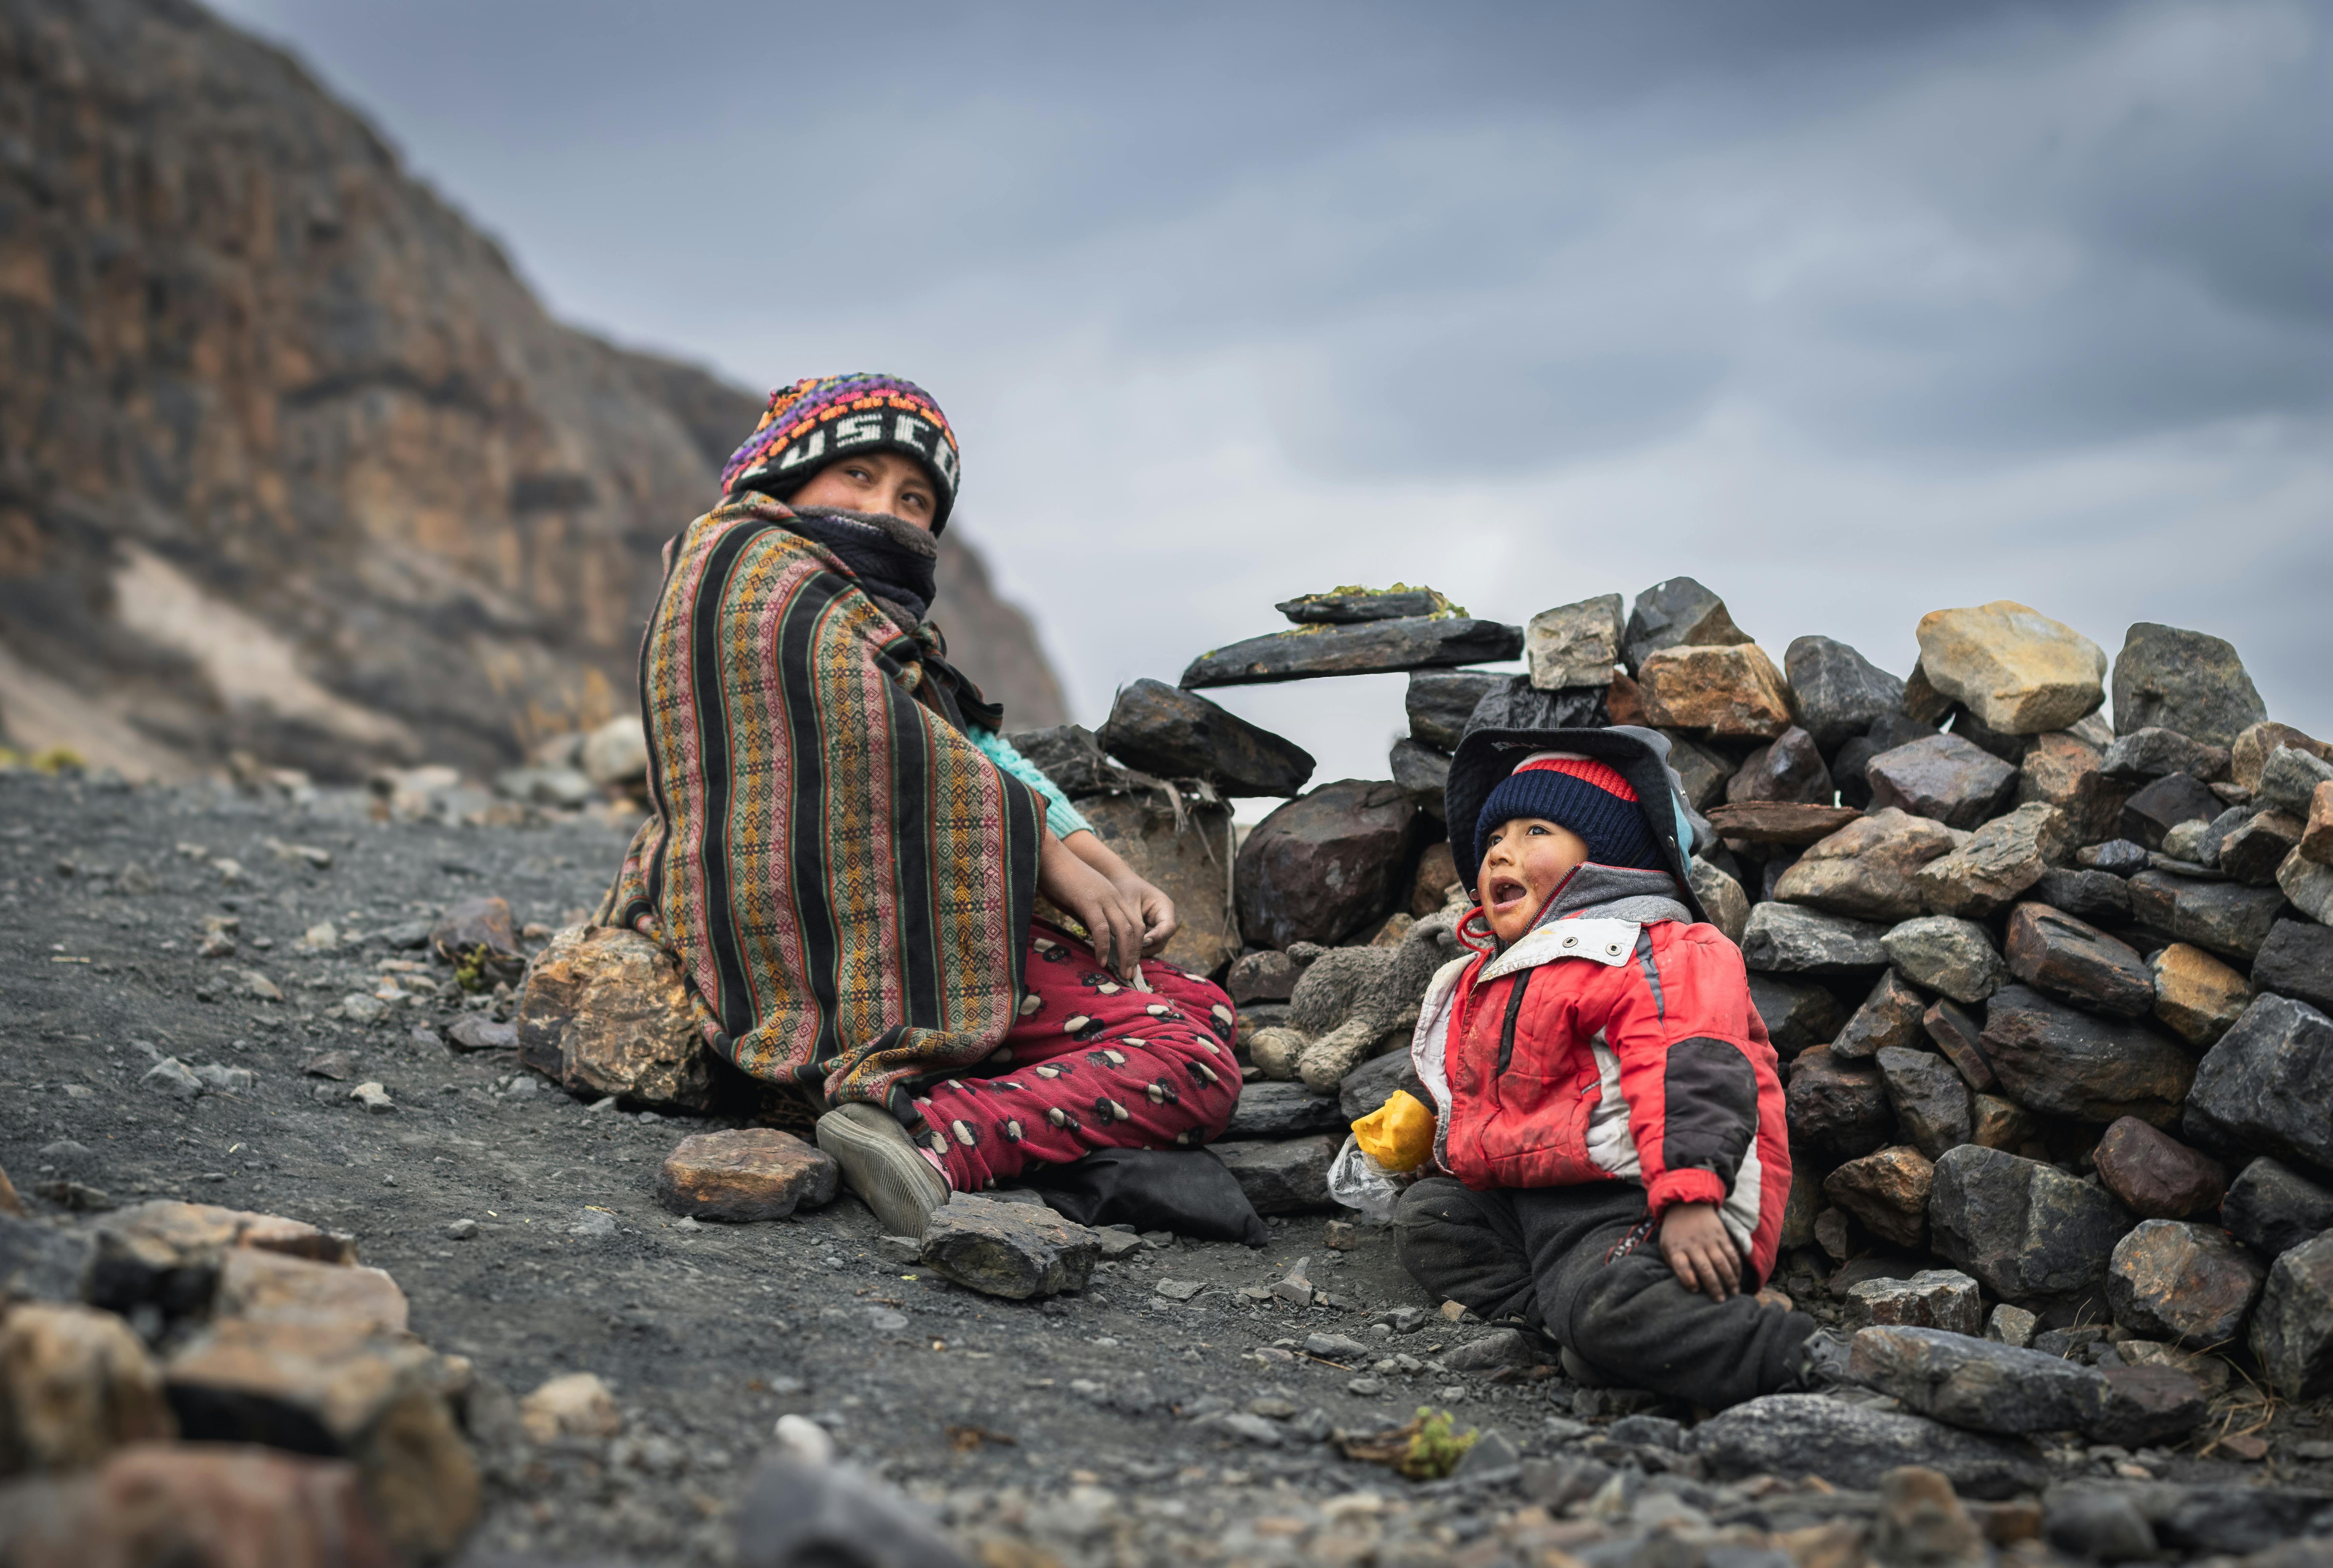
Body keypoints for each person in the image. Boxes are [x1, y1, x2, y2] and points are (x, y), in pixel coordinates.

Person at [599, 374, 1242, 1238]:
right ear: (788, 476)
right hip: (810, 923)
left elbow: (970, 752)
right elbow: (885, 749)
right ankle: (921, 1134)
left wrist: (1111, 868)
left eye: (915, 498)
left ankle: (954, 1099)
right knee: (1189, 1055)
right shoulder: (744, 567)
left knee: (1199, 1005)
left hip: (909, 906)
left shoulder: (875, 621)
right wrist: (1055, 870)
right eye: (857, 476)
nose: (888, 511)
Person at [1390, 725, 1842, 1410]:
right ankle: (1573, 1328)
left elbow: (1691, 1067)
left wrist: (1690, 1197)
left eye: (1535, 830)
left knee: (1607, 1300)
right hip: (1540, 1200)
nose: (1502, 851)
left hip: (1647, 1200)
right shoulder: (1502, 969)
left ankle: (1802, 1358)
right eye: (1493, 840)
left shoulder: (1655, 949)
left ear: (1610, 850)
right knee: (1433, 1218)